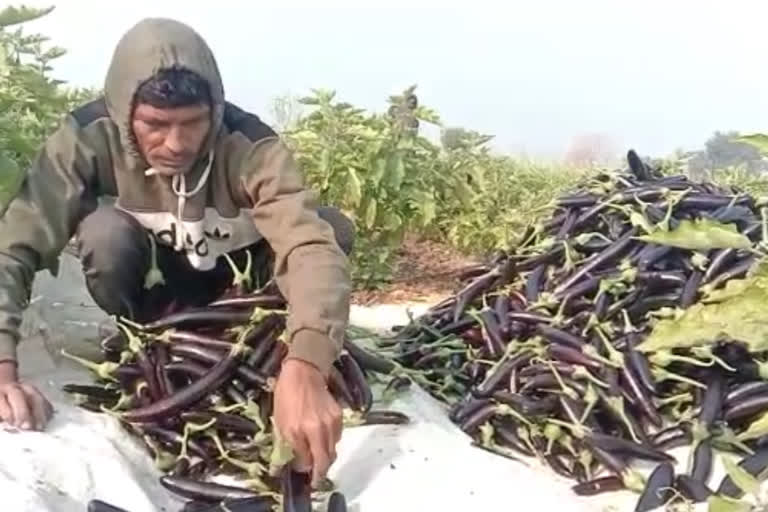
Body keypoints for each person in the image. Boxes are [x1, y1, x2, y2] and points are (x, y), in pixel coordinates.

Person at [0, 17, 354, 486]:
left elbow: (307, 244)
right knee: (103, 233)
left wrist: (307, 362)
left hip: (240, 287)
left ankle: (266, 347)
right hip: (154, 283)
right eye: (155, 124)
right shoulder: (86, 138)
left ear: (215, 109)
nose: (176, 143)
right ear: (125, 113)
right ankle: (148, 340)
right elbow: (14, 245)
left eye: (193, 123)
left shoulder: (249, 145)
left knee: (331, 231)